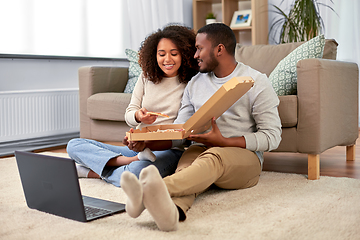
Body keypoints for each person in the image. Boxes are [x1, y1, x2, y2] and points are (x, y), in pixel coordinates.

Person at [120, 23, 282, 231]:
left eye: (199, 48)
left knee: (213, 158)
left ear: (219, 49)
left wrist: (224, 142)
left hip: (243, 156)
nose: (194, 55)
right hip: (200, 150)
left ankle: (146, 192)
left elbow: (273, 137)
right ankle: (172, 214)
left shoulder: (256, 82)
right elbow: (181, 131)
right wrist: (146, 142)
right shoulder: (195, 83)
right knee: (187, 171)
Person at [66, 24, 198, 187]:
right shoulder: (146, 76)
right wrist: (138, 116)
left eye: (174, 54)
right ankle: (130, 160)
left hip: (168, 151)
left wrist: (147, 143)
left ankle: (91, 171)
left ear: (185, 54)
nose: (167, 60)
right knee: (74, 145)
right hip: (140, 149)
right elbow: (130, 113)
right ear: (153, 55)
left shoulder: (191, 84)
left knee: (135, 175)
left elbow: (181, 136)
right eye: (161, 54)